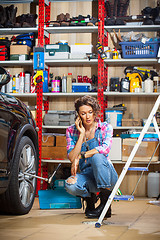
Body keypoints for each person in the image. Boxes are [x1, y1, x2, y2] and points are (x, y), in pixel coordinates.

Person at [65, 95, 118, 218]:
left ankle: (105, 205)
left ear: (95, 112)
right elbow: (72, 157)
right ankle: (90, 200)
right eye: (83, 113)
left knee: (97, 157)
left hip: (107, 175)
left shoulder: (105, 127)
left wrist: (81, 156)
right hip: (87, 175)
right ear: (78, 115)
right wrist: (81, 134)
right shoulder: (71, 130)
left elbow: (105, 149)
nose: (87, 116)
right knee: (70, 184)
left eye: (90, 112)